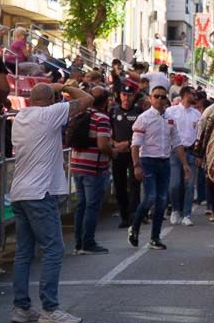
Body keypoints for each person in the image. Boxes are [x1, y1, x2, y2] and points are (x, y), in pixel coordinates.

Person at [9, 82, 93, 323]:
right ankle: (50, 308)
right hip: (40, 192)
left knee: (24, 252)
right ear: (52, 99)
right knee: (54, 249)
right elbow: (87, 99)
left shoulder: (21, 116)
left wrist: (53, 89)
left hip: (20, 192)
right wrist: (66, 86)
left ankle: (21, 307)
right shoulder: (50, 113)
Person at [128, 86, 188, 250]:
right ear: (150, 98)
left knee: (162, 200)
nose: (160, 100)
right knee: (151, 197)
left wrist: (184, 164)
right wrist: (136, 165)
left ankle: (155, 237)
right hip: (148, 161)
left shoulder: (170, 118)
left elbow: (176, 142)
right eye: (157, 96)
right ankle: (135, 227)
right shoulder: (143, 118)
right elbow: (135, 145)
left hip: (164, 162)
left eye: (163, 97)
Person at [69, 87, 114, 255]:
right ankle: (88, 242)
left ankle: (78, 243)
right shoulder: (101, 118)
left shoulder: (79, 115)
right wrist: (113, 153)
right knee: (92, 206)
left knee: (81, 205)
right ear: (105, 101)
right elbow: (103, 144)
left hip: (77, 165)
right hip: (94, 169)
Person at [166, 87, 201, 226]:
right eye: (193, 94)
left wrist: (200, 154)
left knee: (189, 185)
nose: (195, 97)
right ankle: (175, 210)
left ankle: (186, 214)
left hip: (191, 151)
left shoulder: (197, 114)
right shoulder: (171, 111)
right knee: (174, 184)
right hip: (174, 152)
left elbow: (200, 136)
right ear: (186, 95)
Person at [110, 85, 143, 227]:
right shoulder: (113, 112)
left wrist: (128, 143)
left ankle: (133, 215)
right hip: (118, 154)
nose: (126, 98)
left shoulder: (138, 112)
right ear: (120, 95)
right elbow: (106, 133)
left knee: (135, 185)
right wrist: (115, 144)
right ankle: (124, 216)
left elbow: (143, 133)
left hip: (134, 153)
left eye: (129, 95)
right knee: (119, 186)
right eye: (124, 95)